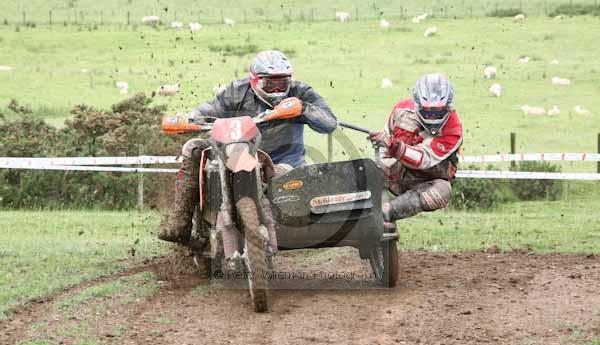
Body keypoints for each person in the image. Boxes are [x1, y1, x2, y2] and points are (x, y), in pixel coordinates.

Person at [159, 50, 338, 244]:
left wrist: (304, 108)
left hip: (284, 162)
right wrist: (192, 118)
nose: (277, 90)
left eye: (282, 83)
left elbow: (329, 123)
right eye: (270, 84)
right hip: (236, 154)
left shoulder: (300, 92)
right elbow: (211, 109)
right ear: (255, 81)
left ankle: (276, 230)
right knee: (193, 147)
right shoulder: (237, 91)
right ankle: (180, 222)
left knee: (290, 199)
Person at [369, 73, 463, 221]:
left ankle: (385, 214)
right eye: (427, 111)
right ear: (417, 105)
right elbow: (383, 147)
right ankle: (351, 212)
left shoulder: (454, 129)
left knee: (442, 191)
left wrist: (393, 145)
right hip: (397, 171)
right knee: (366, 171)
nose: (432, 116)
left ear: (448, 107)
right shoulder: (401, 111)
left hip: (430, 181)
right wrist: (380, 162)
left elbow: (423, 159)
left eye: (438, 112)